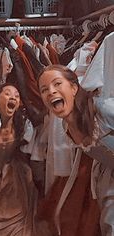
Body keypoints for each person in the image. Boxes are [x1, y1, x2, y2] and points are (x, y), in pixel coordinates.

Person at [37, 64, 114, 236]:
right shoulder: (66, 126)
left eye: (57, 84)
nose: (51, 91)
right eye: (44, 89)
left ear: (73, 88)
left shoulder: (102, 109)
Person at [0, 82, 51, 236]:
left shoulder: (23, 127)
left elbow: (27, 150)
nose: (13, 97)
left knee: (23, 223)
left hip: (11, 181)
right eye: (7, 94)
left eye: (17, 96)